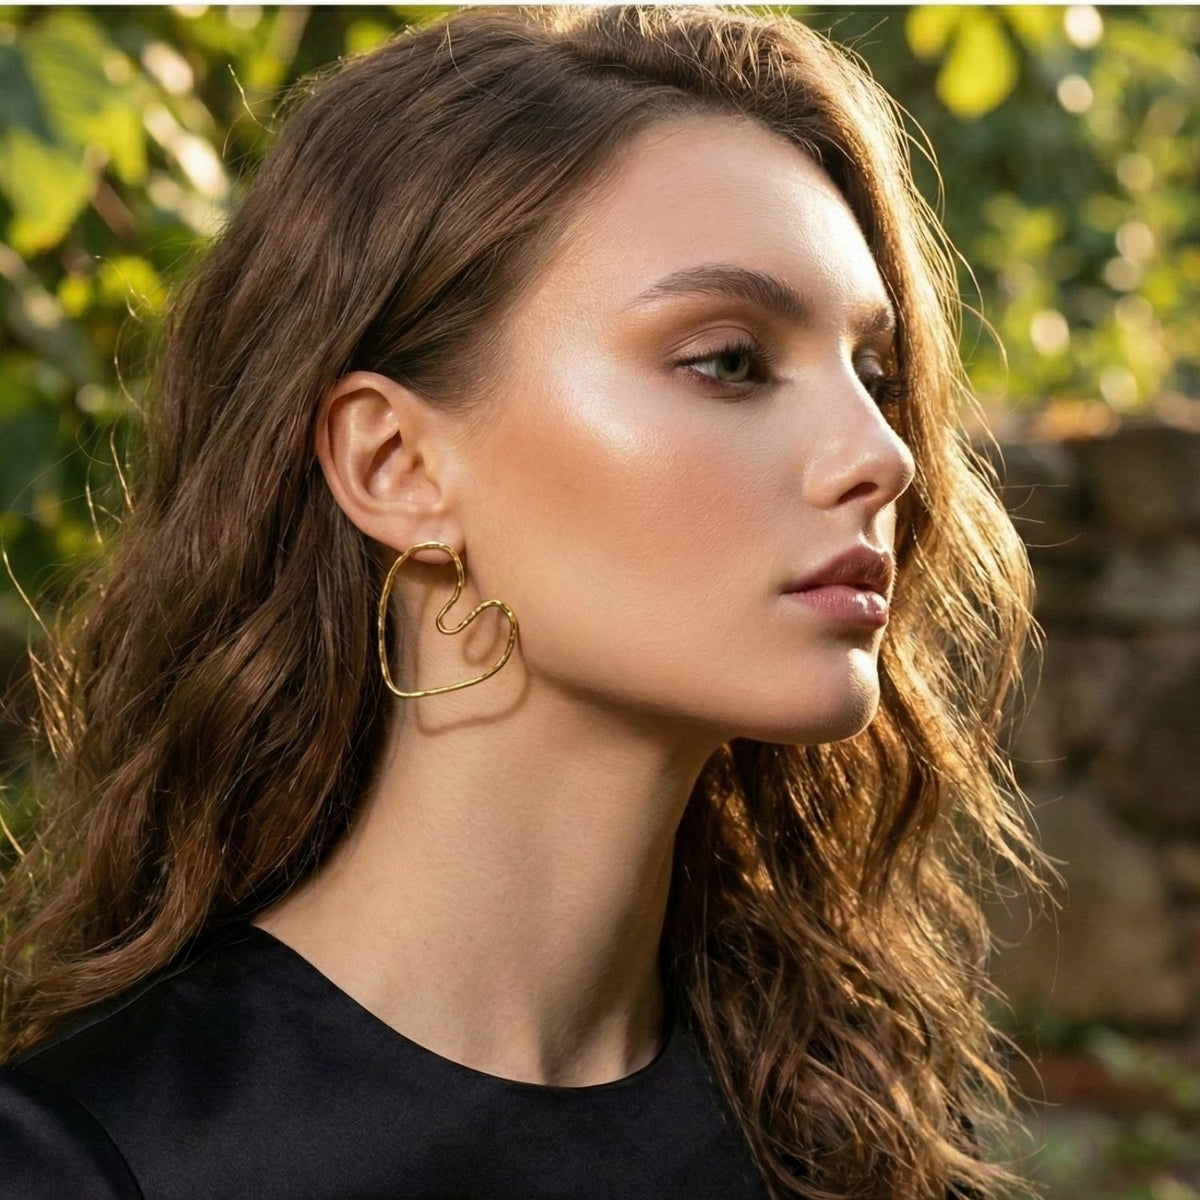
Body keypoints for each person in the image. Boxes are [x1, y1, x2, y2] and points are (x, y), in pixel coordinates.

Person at [0, 5, 1052, 1198]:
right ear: (396, 465)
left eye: (874, 374)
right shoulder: (86, 1162)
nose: (884, 456)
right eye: (730, 361)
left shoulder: (861, 1133)